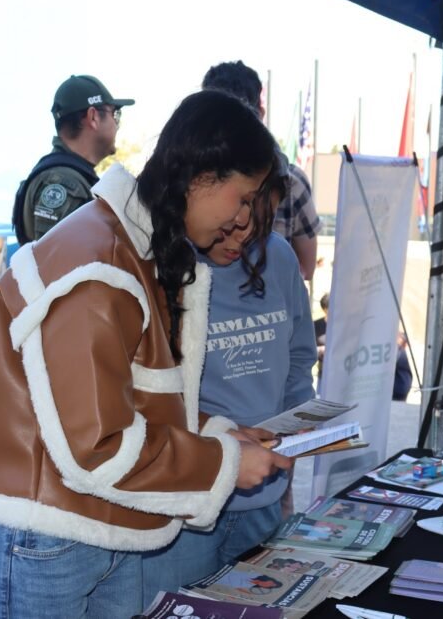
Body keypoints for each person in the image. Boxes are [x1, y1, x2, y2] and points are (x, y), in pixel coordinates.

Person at [0, 90, 293, 617]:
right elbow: (98, 445)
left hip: (87, 527)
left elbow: (127, 400)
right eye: (243, 198)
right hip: (41, 539)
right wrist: (223, 463)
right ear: (201, 171)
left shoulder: (137, 251)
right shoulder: (99, 264)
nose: (244, 223)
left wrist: (218, 432)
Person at [142, 155, 316, 599]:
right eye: (236, 221)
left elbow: (298, 355)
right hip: (187, 508)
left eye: (257, 225)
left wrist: (297, 429)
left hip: (264, 495)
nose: (241, 236)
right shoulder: (162, 266)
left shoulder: (277, 258)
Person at [201, 60, 322, 280]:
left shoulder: (290, 181)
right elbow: (306, 268)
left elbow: (303, 271)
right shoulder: (186, 180)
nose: (244, 229)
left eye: (254, 202)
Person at [11, 74, 134, 244]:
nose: (117, 124)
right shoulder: (64, 183)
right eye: (115, 114)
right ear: (93, 117)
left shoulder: (72, 178)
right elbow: (55, 264)